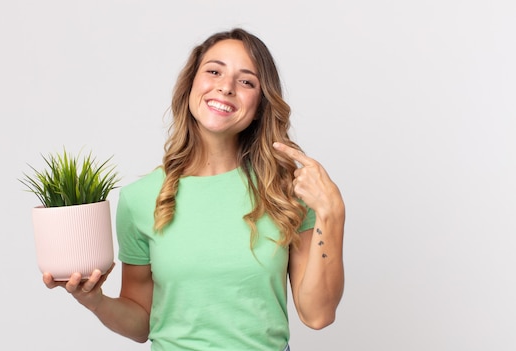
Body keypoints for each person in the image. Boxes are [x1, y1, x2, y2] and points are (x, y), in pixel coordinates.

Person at [44, 27, 345, 351]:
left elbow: (317, 315)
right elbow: (142, 322)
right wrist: (95, 300)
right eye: (214, 71)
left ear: (260, 104)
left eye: (246, 81)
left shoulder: (286, 193)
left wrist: (332, 213)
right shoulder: (140, 199)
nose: (226, 87)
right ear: (190, 86)